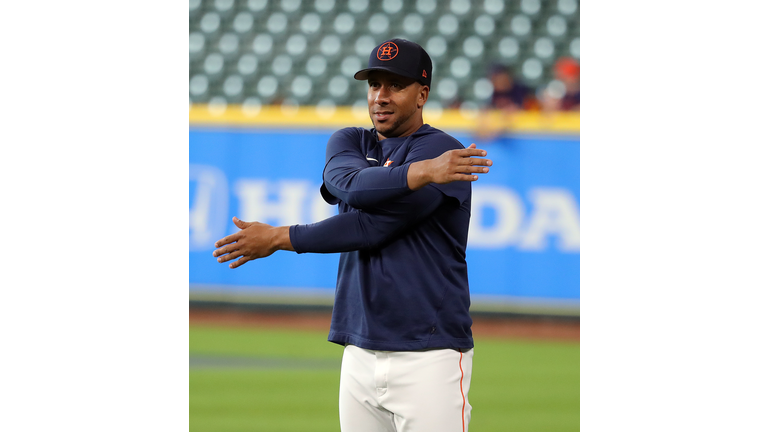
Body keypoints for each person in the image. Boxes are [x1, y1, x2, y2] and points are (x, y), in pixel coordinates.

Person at [212, 38, 493, 432]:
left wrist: (278, 238)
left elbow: (369, 226)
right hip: (359, 350)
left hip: (429, 353)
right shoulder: (351, 140)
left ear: (422, 94)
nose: (381, 96)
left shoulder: (444, 150)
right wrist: (422, 173)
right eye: (374, 84)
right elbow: (349, 184)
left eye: (396, 85)